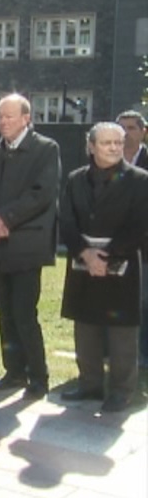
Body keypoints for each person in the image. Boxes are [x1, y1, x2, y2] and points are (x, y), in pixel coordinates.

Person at [0, 93, 60, 401]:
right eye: (0, 116)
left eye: (10, 116)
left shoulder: (46, 149)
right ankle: (14, 371)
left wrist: (5, 218)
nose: (3, 121)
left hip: (26, 245)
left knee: (24, 313)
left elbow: (42, 193)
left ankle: (38, 376)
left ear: (26, 118)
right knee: (5, 314)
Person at [59, 122, 148, 413]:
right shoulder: (75, 179)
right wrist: (86, 253)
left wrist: (106, 255)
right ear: (92, 146)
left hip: (121, 261)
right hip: (82, 261)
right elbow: (67, 220)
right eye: (107, 143)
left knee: (122, 330)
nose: (113, 148)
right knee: (86, 325)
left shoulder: (139, 180)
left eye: (118, 143)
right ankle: (90, 383)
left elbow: (140, 224)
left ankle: (121, 391)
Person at [115, 110, 148, 369]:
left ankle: (143, 355)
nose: (126, 133)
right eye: (121, 128)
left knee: (143, 301)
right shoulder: (105, 161)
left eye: (131, 128)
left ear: (143, 131)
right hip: (111, 246)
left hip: (144, 247)